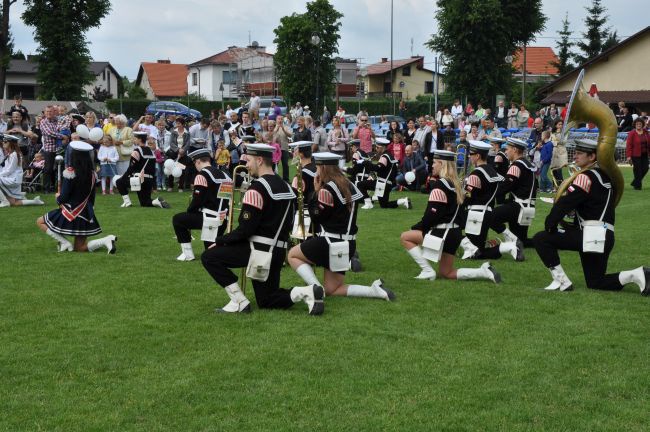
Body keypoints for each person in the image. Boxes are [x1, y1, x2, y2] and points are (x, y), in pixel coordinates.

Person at [201, 144, 324, 315]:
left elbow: (245, 231)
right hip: (278, 252)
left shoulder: (257, 189)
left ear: (259, 160)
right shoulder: (288, 187)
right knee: (267, 300)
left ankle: (239, 301)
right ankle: (306, 292)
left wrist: (220, 241)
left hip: (258, 251)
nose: (247, 164)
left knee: (209, 257)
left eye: (249, 160)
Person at [533, 139, 649, 293]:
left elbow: (565, 203)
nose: (576, 157)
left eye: (580, 153)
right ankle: (637, 274)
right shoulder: (607, 178)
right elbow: (590, 203)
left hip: (591, 235)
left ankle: (561, 281)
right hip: (605, 236)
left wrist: (550, 224)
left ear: (592, 157)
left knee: (541, 238)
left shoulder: (585, 176)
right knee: (596, 282)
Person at [288, 151, 395, 300]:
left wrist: (315, 192)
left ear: (324, 168)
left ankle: (316, 288)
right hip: (348, 243)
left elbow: (316, 217)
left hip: (330, 242)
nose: (316, 171)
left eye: (318, 167)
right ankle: (374, 291)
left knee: (293, 254)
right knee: (334, 289)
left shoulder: (327, 189)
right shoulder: (348, 183)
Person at [400, 149, 501, 283]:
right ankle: (482, 272)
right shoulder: (457, 184)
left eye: (435, 162)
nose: (432, 165)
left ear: (442, 164)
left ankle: (427, 270)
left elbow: (431, 216)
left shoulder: (440, 185)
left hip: (442, 233)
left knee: (405, 237)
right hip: (455, 234)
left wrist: (417, 227)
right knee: (446, 273)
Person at [36, 141, 115, 253]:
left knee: (40, 222)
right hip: (86, 212)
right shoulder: (93, 174)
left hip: (71, 211)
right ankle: (106, 240)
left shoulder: (70, 172)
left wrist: (58, 197)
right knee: (80, 248)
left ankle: (65, 242)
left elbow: (64, 196)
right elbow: (91, 197)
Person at [458, 141, 522, 261]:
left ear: (477, 156)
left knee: (450, 228)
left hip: (475, 215)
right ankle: (508, 247)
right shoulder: (491, 170)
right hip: (488, 214)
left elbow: (466, 198)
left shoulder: (476, 174)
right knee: (479, 251)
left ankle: (509, 247)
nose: (469, 157)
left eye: (471, 154)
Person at [483, 137, 538, 260]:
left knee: (489, 217)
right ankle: (543, 241)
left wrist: (487, 194)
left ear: (515, 149)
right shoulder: (528, 164)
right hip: (529, 207)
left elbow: (504, 187)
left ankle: (513, 240)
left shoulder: (516, 165)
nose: (506, 152)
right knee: (524, 240)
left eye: (507, 149)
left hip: (518, 207)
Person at [173, 148, 232, 261]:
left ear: (198, 161)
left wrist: (190, 213)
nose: (195, 165)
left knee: (178, 219)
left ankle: (187, 254)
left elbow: (197, 201)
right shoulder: (225, 176)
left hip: (209, 218)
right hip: (223, 219)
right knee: (211, 253)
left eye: (195, 162)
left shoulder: (202, 176)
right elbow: (227, 198)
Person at [115, 131, 170, 209]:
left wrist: (123, 178)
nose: (134, 140)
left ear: (139, 140)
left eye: (135, 138)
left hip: (139, 180)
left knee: (119, 182)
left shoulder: (136, 151)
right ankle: (157, 201)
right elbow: (153, 169)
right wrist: (153, 185)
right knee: (145, 202)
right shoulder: (151, 151)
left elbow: (131, 168)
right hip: (149, 180)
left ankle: (127, 203)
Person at [357, 139, 412, 210]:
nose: (376, 149)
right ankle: (403, 201)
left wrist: (365, 163)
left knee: (360, 184)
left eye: (377, 147)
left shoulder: (384, 156)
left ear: (382, 147)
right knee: (384, 205)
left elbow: (377, 168)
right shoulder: (390, 156)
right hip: (387, 184)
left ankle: (368, 203)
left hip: (382, 183)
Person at [0, 134, 44, 207]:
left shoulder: (14, 154)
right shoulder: (11, 154)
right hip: (11, 178)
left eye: (5, 142)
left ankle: (4, 202)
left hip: (13, 179)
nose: (3, 143)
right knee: (13, 203)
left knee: (10, 202)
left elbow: (9, 170)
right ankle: (35, 201)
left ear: (11, 143)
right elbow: (6, 170)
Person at [626, 117, 649, 190]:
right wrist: (629, 156)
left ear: (642, 125)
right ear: (635, 125)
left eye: (640, 124)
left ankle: (635, 182)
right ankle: (638, 186)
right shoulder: (632, 133)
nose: (638, 125)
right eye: (637, 124)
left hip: (645, 154)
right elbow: (628, 145)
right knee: (637, 170)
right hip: (635, 155)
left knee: (646, 168)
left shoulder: (646, 132)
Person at [550, 120, 568, 185]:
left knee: (559, 168)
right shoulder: (552, 132)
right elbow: (551, 141)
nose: (560, 126)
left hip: (561, 151)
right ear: (556, 125)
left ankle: (561, 184)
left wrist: (558, 137)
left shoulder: (564, 132)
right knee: (553, 168)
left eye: (561, 124)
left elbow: (563, 141)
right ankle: (554, 184)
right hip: (554, 151)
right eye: (559, 124)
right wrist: (556, 142)